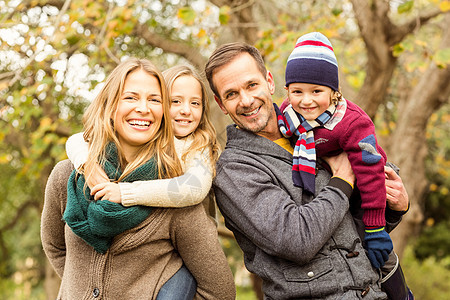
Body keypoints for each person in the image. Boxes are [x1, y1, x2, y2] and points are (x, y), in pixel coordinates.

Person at [204, 42, 410, 299]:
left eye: (251, 85)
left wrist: (396, 206)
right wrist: (343, 179)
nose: (246, 100)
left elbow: (351, 228)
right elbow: (295, 240)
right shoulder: (234, 171)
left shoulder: (314, 128)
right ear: (220, 104)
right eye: (231, 94)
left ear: (269, 81)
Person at [40, 58, 235, 300]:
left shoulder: (174, 191)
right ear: (109, 104)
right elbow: (56, 248)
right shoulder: (66, 174)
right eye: (131, 97)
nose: (143, 108)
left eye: (154, 100)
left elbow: (219, 292)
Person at [275, 31, 413, 299]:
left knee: (376, 252)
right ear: (287, 90)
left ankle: (402, 294)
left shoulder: (350, 122)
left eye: (317, 91)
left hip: (370, 183)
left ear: (333, 91)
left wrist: (375, 228)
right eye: (297, 91)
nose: (306, 101)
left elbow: (371, 173)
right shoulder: (289, 116)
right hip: (340, 185)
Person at [65, 65, 220, 221]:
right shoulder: (147, 138)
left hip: (194, 229)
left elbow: (195, 188)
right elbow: (77, 140)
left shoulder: (198, 144)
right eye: (175, 101)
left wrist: (125, 192)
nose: (186, 110)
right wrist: (88, 164)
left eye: (195, 103)